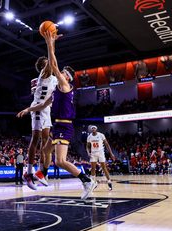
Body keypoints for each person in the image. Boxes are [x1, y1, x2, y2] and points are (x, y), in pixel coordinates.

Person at [17, 31, 95, 199]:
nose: (61, 72)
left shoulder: (65, 85)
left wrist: (50, 42)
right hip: (58, 124)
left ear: (68, 77)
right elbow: (43, 104)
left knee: (60, 161)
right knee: (45, 149)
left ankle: (86, 180)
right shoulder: (55, 91)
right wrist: (27, 110)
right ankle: (42, 173)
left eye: (64, 72)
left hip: (64, 125)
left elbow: (53, 64)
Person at [23, 56, 58, 190]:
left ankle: (41, 171)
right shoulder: (43, 74)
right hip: (38, 107)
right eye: (45, 64)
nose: (49, 64)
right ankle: (29, 172)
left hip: (47, 109)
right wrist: (51, 42)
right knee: (35, 139)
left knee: (46, 141)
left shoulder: (54, 78)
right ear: (42, 67)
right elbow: (52, 60)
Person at [86, 125, 115, 191]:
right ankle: (93, 183)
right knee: (93, 168)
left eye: (94, 128)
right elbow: (87, 146)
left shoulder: (101, 135)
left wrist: (111, 153)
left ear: (96, 129)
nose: (93, 129)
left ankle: (109, 182)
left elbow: (107, 144)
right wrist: (88, 152)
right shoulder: (89, 137)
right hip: (93, 153)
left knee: (104, 167)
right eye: (92, 128)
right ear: (91, 130)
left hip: (101, 152)